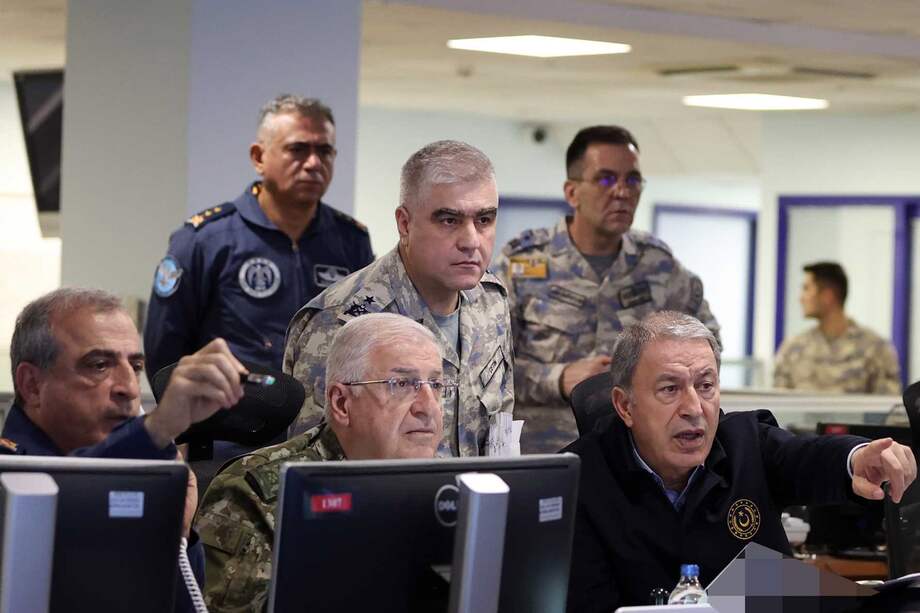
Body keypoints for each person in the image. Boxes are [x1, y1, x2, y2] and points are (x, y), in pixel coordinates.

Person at [564, 311, 916, 612]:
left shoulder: (745, 441)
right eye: (669, 389)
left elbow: (806, 456)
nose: (693, 408)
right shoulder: (579, 480)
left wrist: (857, 458)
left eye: (706, 386)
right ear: (625, 406)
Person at [5, 287, 250, 613]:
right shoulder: (11, 477)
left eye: (135, 366)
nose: (129, 388)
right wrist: (159, 427)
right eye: (99, 365)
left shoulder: (143, 475)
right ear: (32, 385)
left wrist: (177, 534)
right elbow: (58, 494)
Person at [195, 313, 445, 612]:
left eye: (437, 385)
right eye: (402, 383)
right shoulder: (259, 495)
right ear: (341, 403)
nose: (428, 407)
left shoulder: (454, 487)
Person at [494, 125, 719, 454]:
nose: (622, 192)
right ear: (572, 193)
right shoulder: (522, 263)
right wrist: (560, 378)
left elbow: (708, 342)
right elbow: (489, 367)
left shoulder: (658, 266)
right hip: (549, 452)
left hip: (634, 461)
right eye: (605, 179)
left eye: (632, 180)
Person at [284, 140, 513, 457]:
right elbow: (310, 464)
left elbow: (500, 431)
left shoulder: (492, 300)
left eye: (484, 220)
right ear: (405, 223)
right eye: (449, 220)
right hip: (384, 504)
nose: (472, 241)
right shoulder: (339, 321)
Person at [144, 94, 374, 380]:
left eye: (325, 151)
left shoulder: (350, 241)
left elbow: (366, 338)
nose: (314, 163)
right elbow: (164, 355)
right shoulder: (206, 239)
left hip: (321, 420)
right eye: (298, 149)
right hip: (230, 418)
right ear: (258, 157)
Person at [774, 261, 901, 394]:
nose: (801, 298)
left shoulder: (875, 349)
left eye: (806, 288)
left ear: (827, 296)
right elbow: (778, 407)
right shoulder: (793, 349)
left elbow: (887, 409)